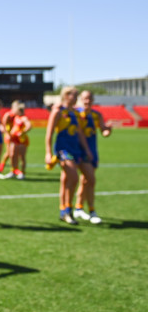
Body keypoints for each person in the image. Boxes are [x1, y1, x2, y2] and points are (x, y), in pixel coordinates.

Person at [45, 86, 94, 225]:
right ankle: (67, 210)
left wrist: (87, 150)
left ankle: (68, 210)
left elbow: (80, 133)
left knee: (89, 177)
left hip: (77, 149)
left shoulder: (75, 112)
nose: (76, 97)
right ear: (66, 96)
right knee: (73, 178)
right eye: (74, 95)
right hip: (63, 150)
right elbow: (49, 134)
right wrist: (48, 152)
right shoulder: (58, 111)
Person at [73, 90, 111, 224]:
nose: (87, 101)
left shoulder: (96, 115)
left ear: (93, 99)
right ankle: (89, 210)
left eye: (89, 98)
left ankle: (78, 208)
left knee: (86, 180)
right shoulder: (76, 113)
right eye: (84, 98)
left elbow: (103, 131)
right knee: (87, 180)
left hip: (92, 151)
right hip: (78, 151)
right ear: (80, 99)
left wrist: (108, 130)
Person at [4, 102, 32, 180]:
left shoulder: (24, 118)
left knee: (21, 156)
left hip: (21, 140)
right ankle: (13, 171)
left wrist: (22, 132)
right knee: (12, 155)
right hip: (14, 139)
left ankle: (22, 173)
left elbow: (29, 126)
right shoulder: (16, 117)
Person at [0, 100, 20, 174]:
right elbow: (3, 125)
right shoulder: (8, 115)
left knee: (10, 153)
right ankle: (12, 169)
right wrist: (7, 134)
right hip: (8, 136)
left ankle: (3, 165)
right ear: (13, 107)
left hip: (14, 136)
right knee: (11, 153)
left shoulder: (17, 115)